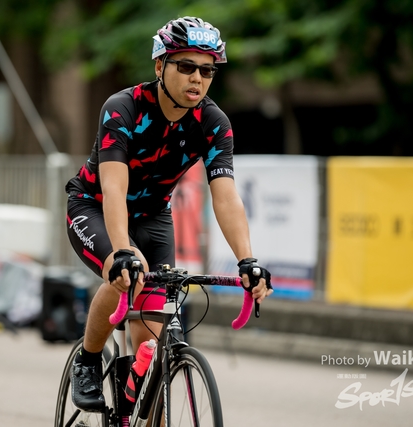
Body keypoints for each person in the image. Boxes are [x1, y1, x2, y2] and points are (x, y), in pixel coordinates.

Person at [65, 16, 273, 412]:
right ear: (160, 65)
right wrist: (121, 251)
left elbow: (225, 197)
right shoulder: (122, 108)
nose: (197, 78)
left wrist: (248, 261)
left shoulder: (213, 123)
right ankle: (87, 360)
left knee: (150, 351)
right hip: (94, 205)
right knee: (127, 272)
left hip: (154, 216)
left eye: (207, 70)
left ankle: (136, 402)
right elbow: (114, 188)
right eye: (187, 66)